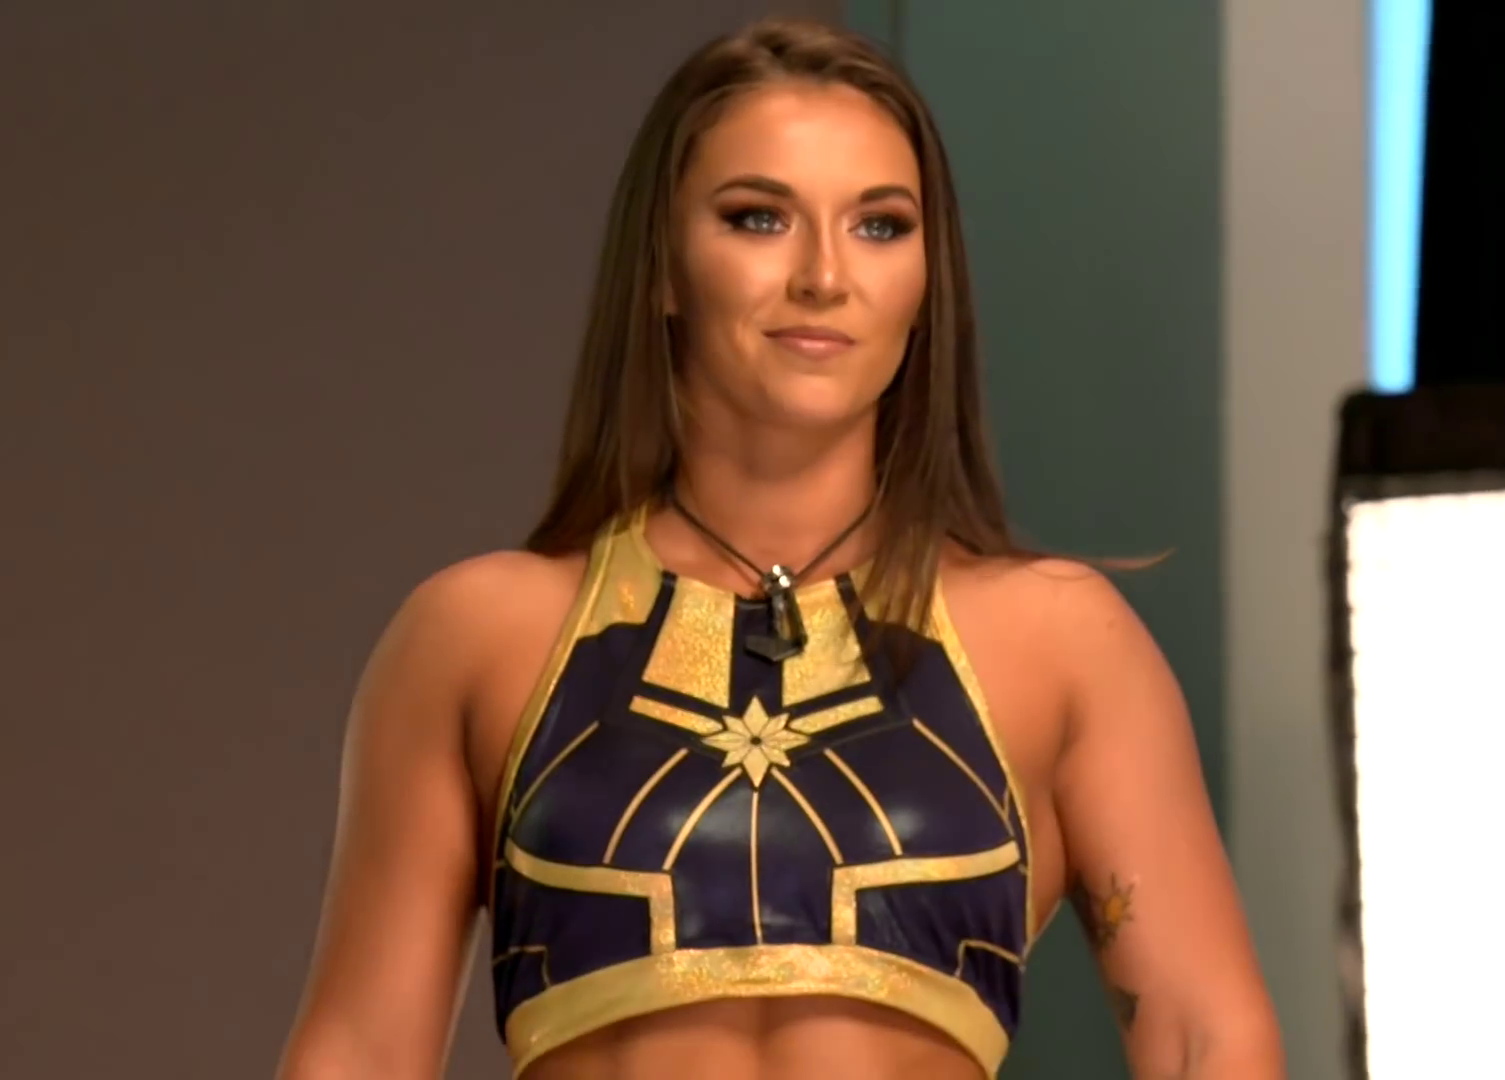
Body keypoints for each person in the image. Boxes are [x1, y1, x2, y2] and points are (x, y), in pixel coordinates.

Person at [278, 18, 1281, 1080]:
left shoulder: (1061, 642)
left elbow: (1206, 1038)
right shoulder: (476, 638)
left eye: (880, 226)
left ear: (928, 281)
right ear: (663, 266)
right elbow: (359, 1052)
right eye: (759, 217)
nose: (824, 276)